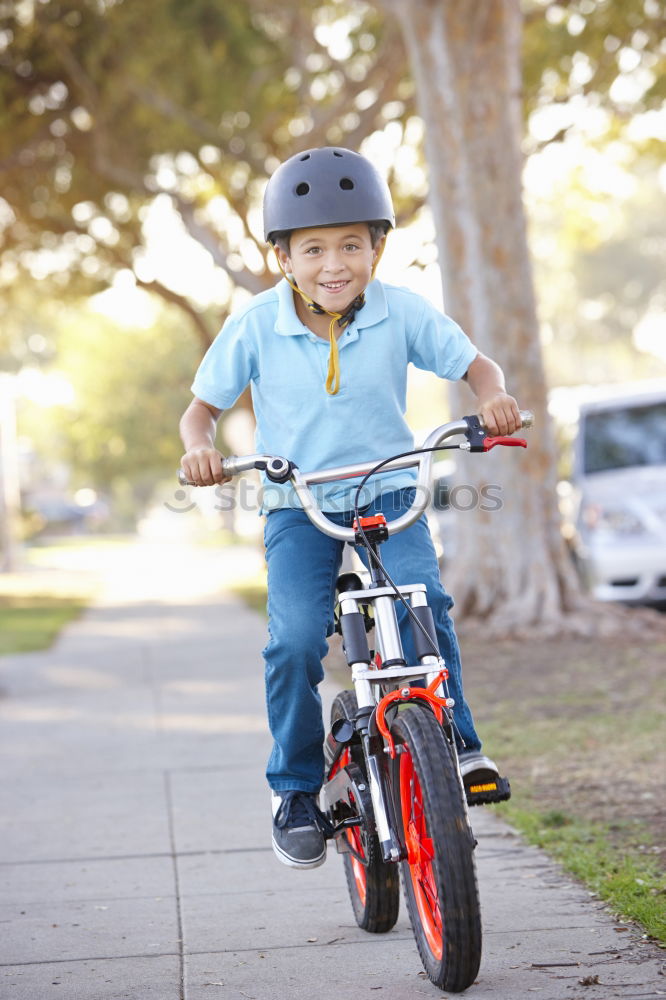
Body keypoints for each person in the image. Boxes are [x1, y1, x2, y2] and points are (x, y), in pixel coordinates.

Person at [179, 146, 522, 870]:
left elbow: (476, 365)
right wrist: (199, 449)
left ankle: (457, 743)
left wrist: (490, 397)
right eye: (312, 249)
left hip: (389, 488)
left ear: (378, 247)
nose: (333, 264)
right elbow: (199, 411)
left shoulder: (402, 312)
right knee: (298, 639)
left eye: (350, 245)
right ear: (283, 258)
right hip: (296, 502)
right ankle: (296, 789)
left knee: (422, 598)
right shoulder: (254, 326)